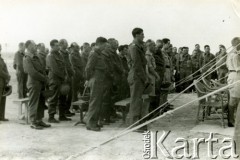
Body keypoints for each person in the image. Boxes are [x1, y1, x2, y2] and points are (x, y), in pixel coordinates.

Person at [23, 40, 51, 129]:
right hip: (34, 83)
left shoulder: (36, 56)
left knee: (41, 102)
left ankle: (39, 120)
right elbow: (32, 72)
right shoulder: (27, 57)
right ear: (29, 46)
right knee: (34, 102)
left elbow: (41, 69)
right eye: (34, 45)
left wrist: (45, 77)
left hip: (40, 83)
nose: (35, 46)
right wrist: (44, 78)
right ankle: (33, 121)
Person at [84, 37, 108, 131]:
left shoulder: (99, 54)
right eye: (104, 45)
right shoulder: (94, 54)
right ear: (100, 44)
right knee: (94, 102)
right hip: (96, 79)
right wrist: (88, 79)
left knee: (98, 102)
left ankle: (94, 122)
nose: (105, 47)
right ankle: (90, 123)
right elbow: (88, 68)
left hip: (100, 79)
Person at [127, 28, 148, 131]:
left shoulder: (139, 47)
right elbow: (137, 65)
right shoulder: (134, 48)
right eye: (142, 34)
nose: (143, 36)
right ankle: (134, 125)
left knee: (138, 100)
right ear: (136, 35)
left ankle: (138, 122)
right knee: (135, 100)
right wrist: (145, 78)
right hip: (136, 76)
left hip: (139, 76)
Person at [46, 39, 70, 123]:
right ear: (52, 46)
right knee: (53, 98)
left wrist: (66, 75)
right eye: (56, 45)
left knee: (63, 97)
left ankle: (62, 115)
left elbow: (64, 66)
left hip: (62, 79)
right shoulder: (50, 56)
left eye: (58, 45)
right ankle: (51, 117)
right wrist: (63, 77)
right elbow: (55, 69)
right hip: (54, 79)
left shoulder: (59, 55)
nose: (58, 47)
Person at [226, 37, 240, 156]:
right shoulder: (235, 55)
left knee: (235, 99)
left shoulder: (232, 53)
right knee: (235, 99)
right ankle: (231, 120)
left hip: (232, 75)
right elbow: (238, 68)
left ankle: (231, 120)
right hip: (235, 76)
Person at [59, 39, 74, 118]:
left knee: (70, 94)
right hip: (64, 77)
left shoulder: (66, 53)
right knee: (63, 95)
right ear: (61, 45)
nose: (67, 45)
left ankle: (66, 110)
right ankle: (63, 112)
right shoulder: (60, 54)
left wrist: (72, 72)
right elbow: (63, 66)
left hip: (69, 76)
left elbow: (69, 65)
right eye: (66, 43)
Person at [0, 44, 11, 121]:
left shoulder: (1, 59)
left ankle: (1, 117)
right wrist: (7, 76)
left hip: (3, 82)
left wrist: (7, 77)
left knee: (3, 99)